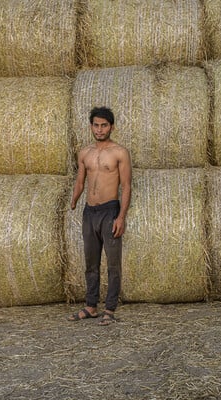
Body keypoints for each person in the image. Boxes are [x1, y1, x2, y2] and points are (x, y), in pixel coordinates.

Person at [68, 106, 131, 326]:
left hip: (110, 210)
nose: (100, 129)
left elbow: (126, 186)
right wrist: (74, 200)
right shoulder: (84, 152)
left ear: (111, 127)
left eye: (104, 125)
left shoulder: (119, 152)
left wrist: (121, 217)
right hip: (89, 212)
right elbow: (79, 181)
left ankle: (110, 309)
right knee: (90, 263)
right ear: (91, 126)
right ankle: (91, 306)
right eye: (96, 125)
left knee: (113, 264)